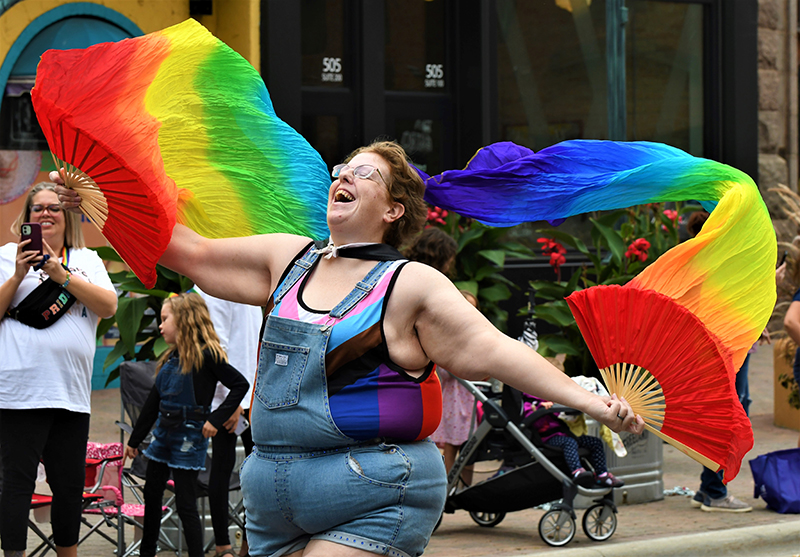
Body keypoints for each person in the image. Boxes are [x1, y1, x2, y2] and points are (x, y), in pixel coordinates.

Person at [56, 140, 643, 557]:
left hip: (373, 492)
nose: (344, 175)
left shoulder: (409, 282)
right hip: (270, 501)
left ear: (392, 210)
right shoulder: (288, 258)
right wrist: (99, 191)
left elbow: (493, 351)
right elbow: (187, 252)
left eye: (364, 173)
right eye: (342, 168)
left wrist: (589, 402)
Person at [0, 182, 117, 557]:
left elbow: (109, 307)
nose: (46, 214)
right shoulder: (5, 257)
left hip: (71, 394)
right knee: (15, 486)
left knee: (68, 488)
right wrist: (18, 275)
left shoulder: (87, 260)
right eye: (38, 209)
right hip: (18, 393)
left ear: (66, 217)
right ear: (27, 218)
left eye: (53, 208)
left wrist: (58, 272)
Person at [124, 293, 249, 557]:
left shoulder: (208, 356)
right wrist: (134, 441)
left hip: (188, 438)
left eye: (165, 319)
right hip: (162, 436)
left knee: (185, 501)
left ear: (183, 320)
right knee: (152, 494)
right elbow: (152, 404)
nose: (160, 326)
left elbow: (240, 385)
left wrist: (216, 419)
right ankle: (147, 551)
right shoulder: (170, 358)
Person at [686, 210, 754, 512]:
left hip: (729, 348)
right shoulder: (716, 262)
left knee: (728, 411)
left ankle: (706, 488)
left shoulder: (704, 260)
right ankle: (715, 491)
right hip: (727, 350)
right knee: (730, 415)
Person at [194, 287, 261, 557]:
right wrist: (230, 403)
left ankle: (250, 543)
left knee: (257, 477)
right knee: (222, 470)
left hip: (254, 393)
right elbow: (217, 346)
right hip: (230, 396)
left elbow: (256, 341)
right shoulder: (210, 288)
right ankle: (223, 546)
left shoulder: (249, 285)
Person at [430, 290, 480, 486]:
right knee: (451, 444)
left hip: (472, 397)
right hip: (453, 397)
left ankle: (466, 488)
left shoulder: (476, 333)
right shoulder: (445, 335)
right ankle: (448, 486)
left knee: (471, 444)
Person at [523, 394, 624, 488]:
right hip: (548, 438)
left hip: (565, 434)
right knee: (569, 443)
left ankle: (602, 475)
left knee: (595, 442)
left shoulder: (551, 398)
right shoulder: (529, 404)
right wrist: (540, 407)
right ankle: (577, 472)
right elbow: (535, 424)